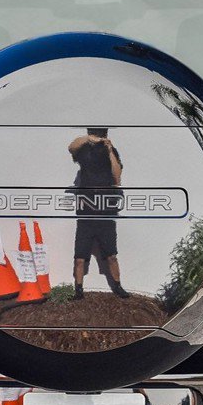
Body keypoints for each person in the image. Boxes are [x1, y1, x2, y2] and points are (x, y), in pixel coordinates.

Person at [68, 127, 131, 299]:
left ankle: (118, 286)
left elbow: (117, 177)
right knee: (79, 258)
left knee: (112, 255)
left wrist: (109, 149)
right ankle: (78, 290)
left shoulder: (110, 151)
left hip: (106, 213)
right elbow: (71, 147)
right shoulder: (84, 149)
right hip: (85, 214)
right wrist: (89, 138)